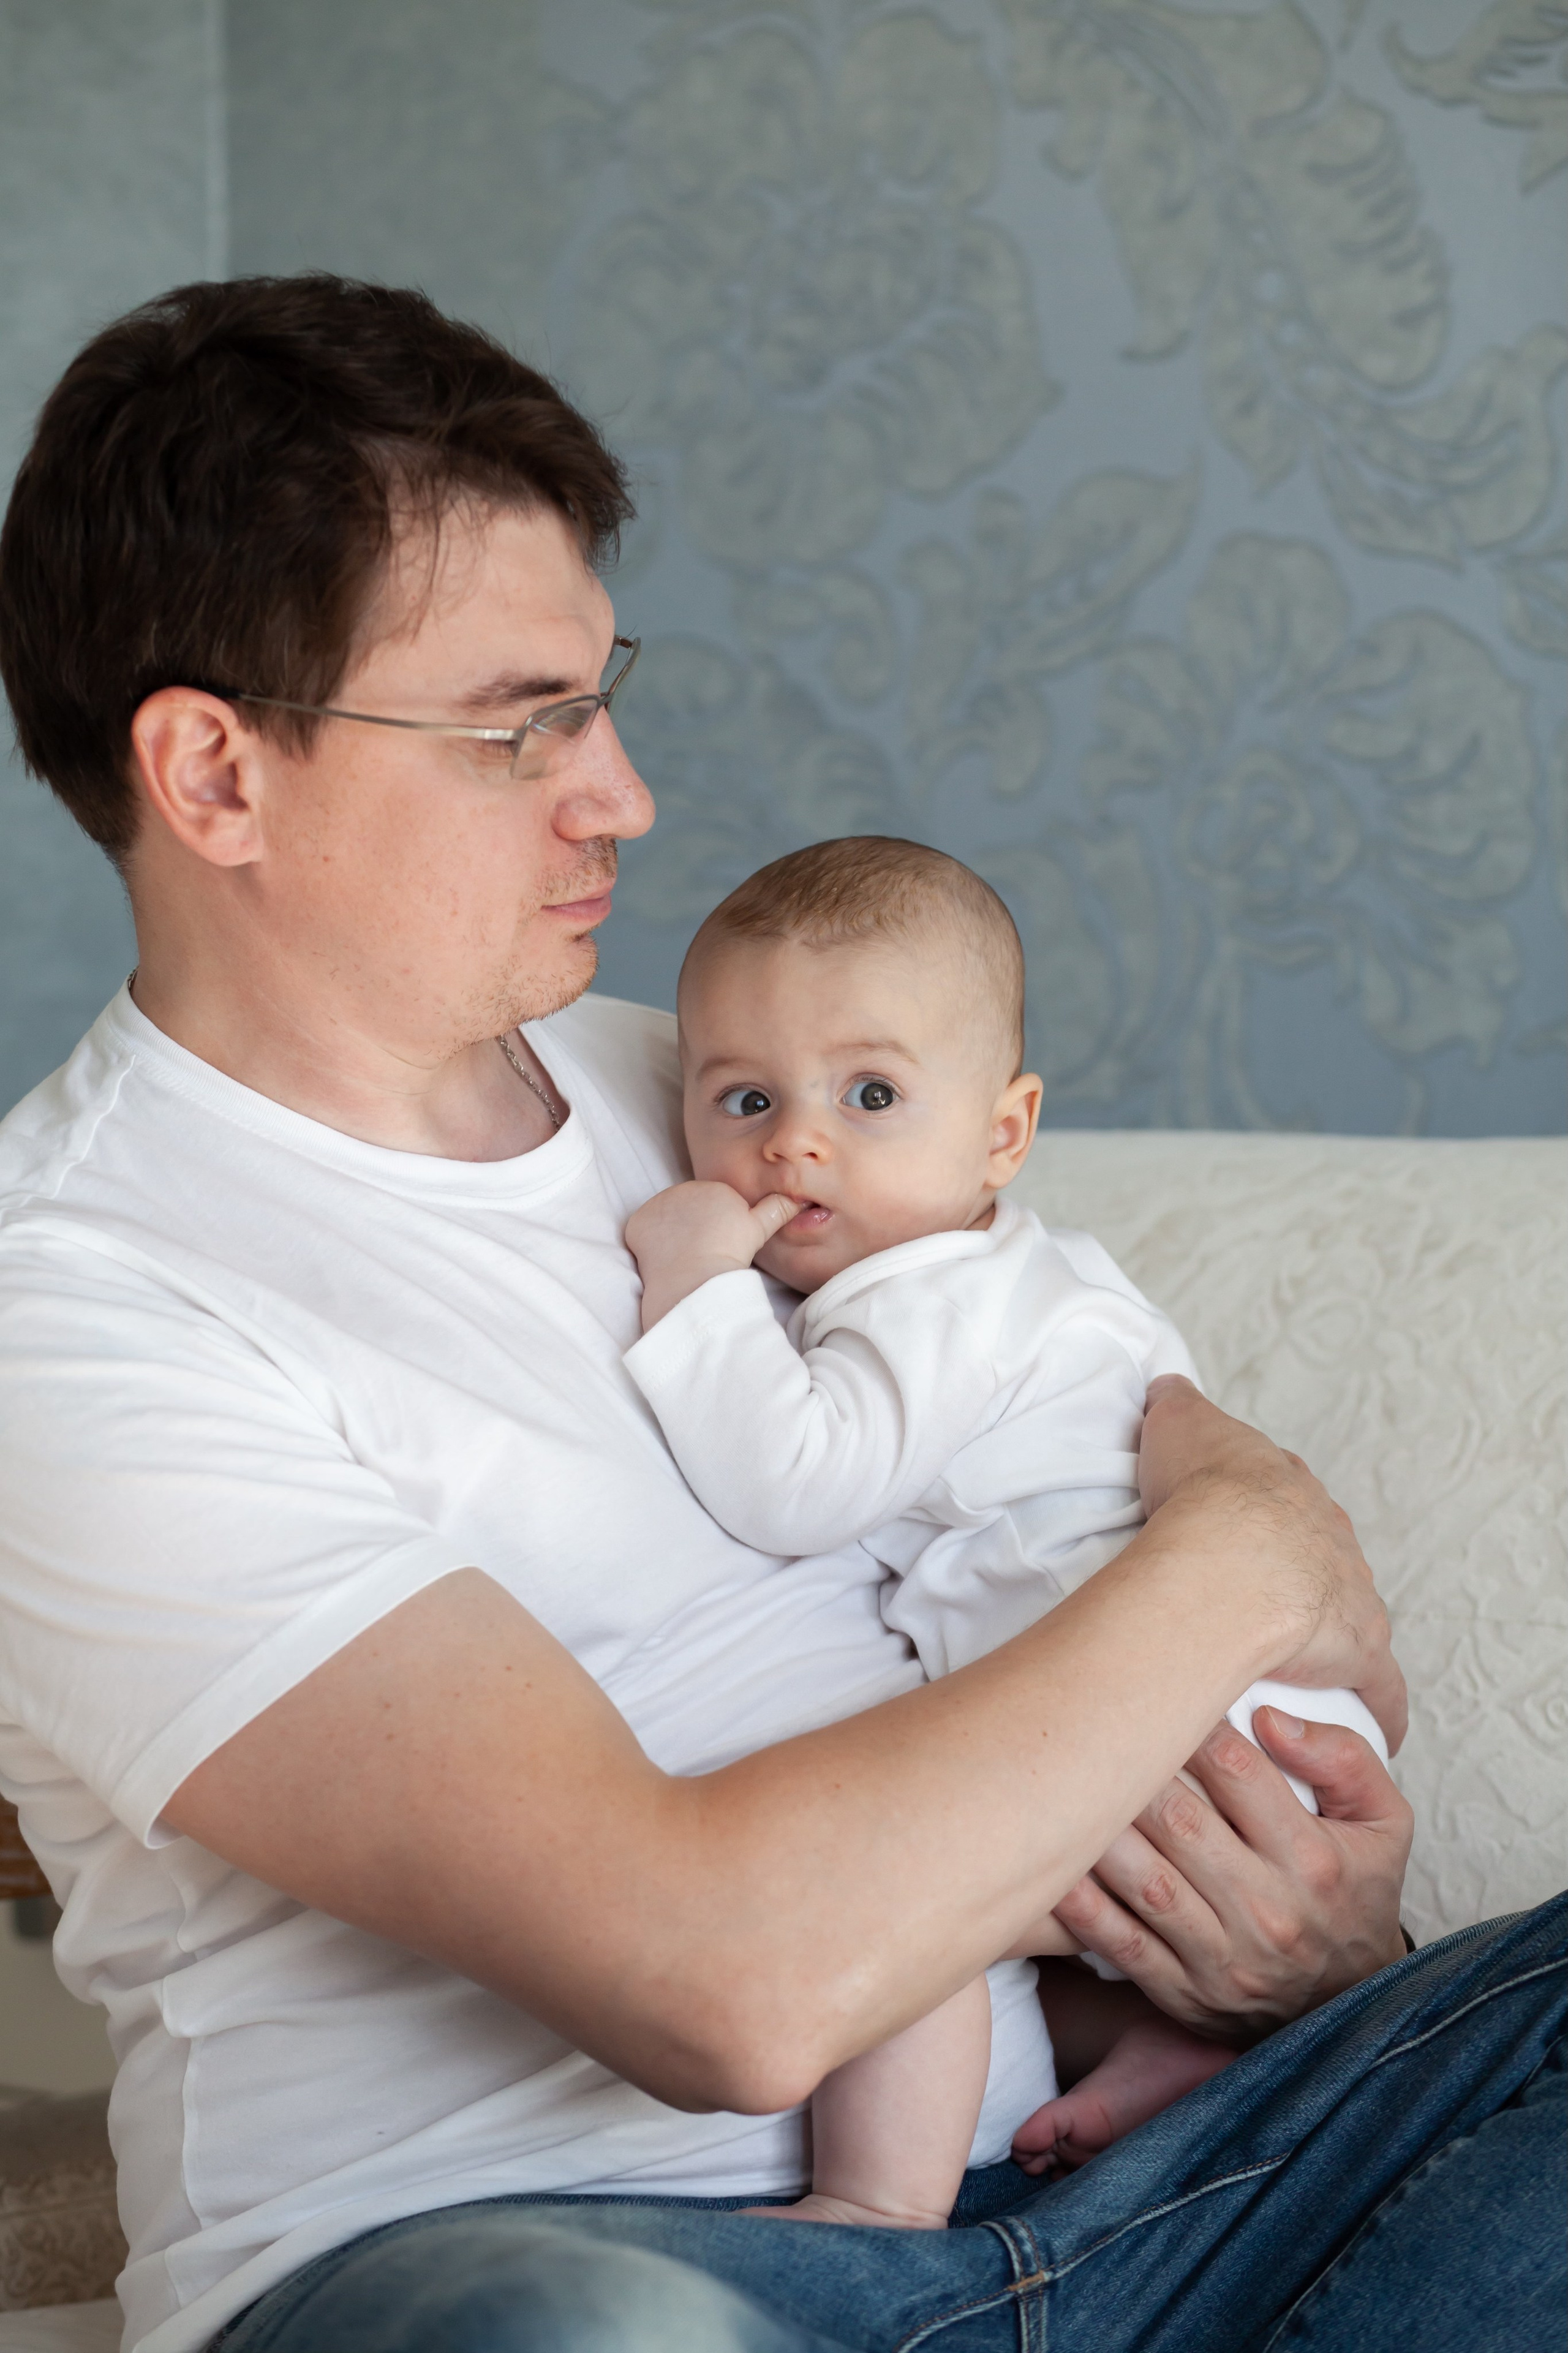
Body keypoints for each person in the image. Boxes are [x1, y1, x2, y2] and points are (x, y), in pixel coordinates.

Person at [0, 275, 1556, 2353]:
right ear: (212, 776)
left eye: (602, 695)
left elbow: (1095, 1428)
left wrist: (1287, 1944)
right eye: (518, 725)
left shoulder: (742, 1090)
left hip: (1126, 2195)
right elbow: (721, 1984)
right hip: (551, 2259)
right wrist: (1258, 1541)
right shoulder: (77, 1302)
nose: (621, 794)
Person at [621, 834, 1389, 2223]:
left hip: (1188, 1734)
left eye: (869, 1094)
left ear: (1001, 1132)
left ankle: (875, 2205)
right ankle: (1180, 2041)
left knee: (903, 1911)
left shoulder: (936, 1300)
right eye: (744, 1097)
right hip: (1233, 1715)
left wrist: (693, 1290)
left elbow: (794, 1482)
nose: (795, 1140)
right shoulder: (1021, 1274)